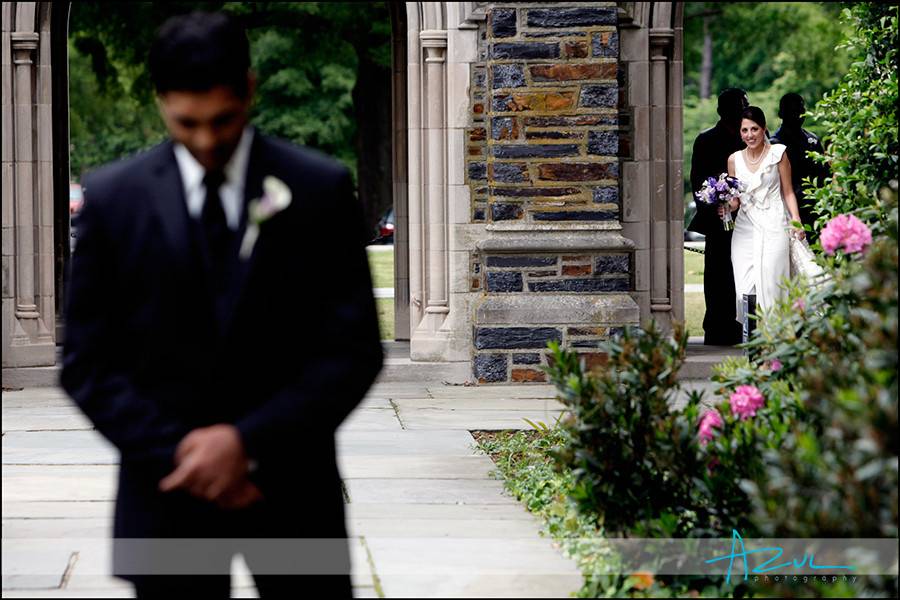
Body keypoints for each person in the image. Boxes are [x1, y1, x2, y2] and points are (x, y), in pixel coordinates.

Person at [60, 12, 383, 597]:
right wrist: (186, 452)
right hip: (165, 494)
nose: (206, 141)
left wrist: (248, 444)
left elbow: (353, 349)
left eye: (223, 121)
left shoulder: (318, 188)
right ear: (160, 101)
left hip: (291, 491)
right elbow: (87, 362)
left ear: (250, 90)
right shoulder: (113, 199)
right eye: (187, 123)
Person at [719, 106, 805, 328]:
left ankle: (776, 343)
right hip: (745, 229)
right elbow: (735, 199)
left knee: (772, 286)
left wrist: (796, 221)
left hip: (775, 224)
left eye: (754, 129)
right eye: (744, 130)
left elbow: (788, 191)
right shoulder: (734, 160)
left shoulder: (778, 154)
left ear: (764, 128)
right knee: (745, 290)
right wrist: (725, 206)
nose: (750, 135)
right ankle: (754, 347)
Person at [687, 88, 750, 346]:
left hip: (749, 219)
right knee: (717, 274)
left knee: (746, 275)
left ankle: (747, 327)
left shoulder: (753, 137)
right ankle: (717, 328)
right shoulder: (706, 140)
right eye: (742, 105)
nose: (745, 109)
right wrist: (715, 204)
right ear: (725, 110)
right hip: (718, 220)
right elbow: (698, 179)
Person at [770, 93, 829, 244]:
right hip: (787, 209)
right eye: (793, 110)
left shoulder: (813, 140)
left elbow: (824, 175)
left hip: (814, 207)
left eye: (801, 109)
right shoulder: (774, 144)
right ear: (781, 114)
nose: (798, 114)